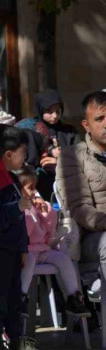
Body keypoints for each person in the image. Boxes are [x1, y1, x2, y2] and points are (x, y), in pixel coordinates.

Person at [0, 124, 43, 350]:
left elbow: (19, 221)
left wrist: (23, 246)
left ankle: (16, 339)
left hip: (13, 247)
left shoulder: (11, 179)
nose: (25, 157)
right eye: (22, 152)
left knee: (14, 296)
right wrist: (15, 207)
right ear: (8, 154)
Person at [16, 165, 88, 315]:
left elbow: (49, 231)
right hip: (26, 251)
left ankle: (73, 297)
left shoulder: (35, 206)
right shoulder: (20, 209)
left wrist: (46, 212)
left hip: (42, 249)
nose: (35, 192)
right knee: (28, 262)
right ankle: (20, 297)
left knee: (63, 259)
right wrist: (28, 212)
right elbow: (25, 234)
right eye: (31, 188)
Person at [56, 90, 106, 299]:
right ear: (86, 125)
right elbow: (80, 209)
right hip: (94, 236)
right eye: (100, 119)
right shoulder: (73, 156)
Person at [17, 90, 79, 200]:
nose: (55, 116)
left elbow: (79, 156)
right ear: (40, 110)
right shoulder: (31, 129)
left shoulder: (69, 132)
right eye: (49, 112)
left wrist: (60, 162)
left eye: (58, 111)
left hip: (67, 185)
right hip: (40, 187)